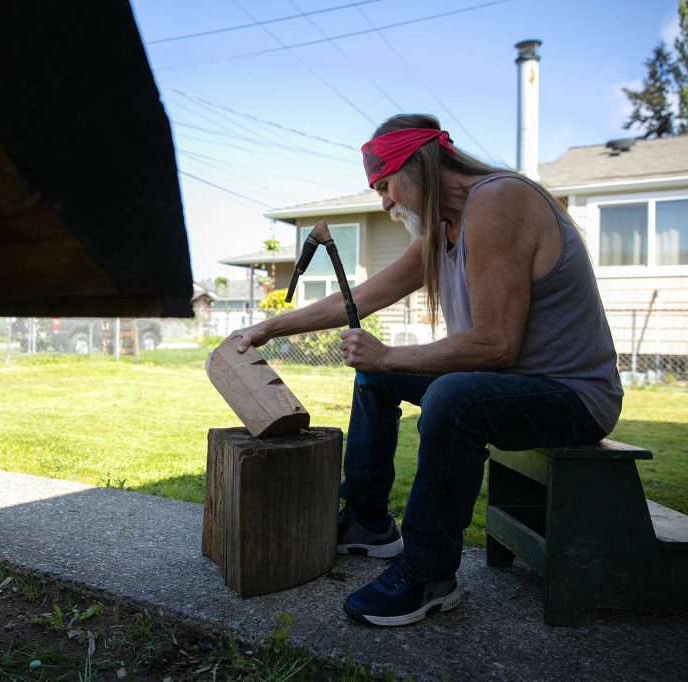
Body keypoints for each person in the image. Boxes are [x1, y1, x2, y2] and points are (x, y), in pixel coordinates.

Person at [229, 113, 622, 627]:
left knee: (451, 398)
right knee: (377, 377)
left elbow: (495, 344)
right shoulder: (443, 227)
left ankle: (428, 574)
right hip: (512, 386)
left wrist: (389, 354)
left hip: (573, 397)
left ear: (419, 166)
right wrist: (269, 328)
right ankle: (369, 522)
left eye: (386, 184)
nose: (385, 202)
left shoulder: (499, 200)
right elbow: (364, 298)